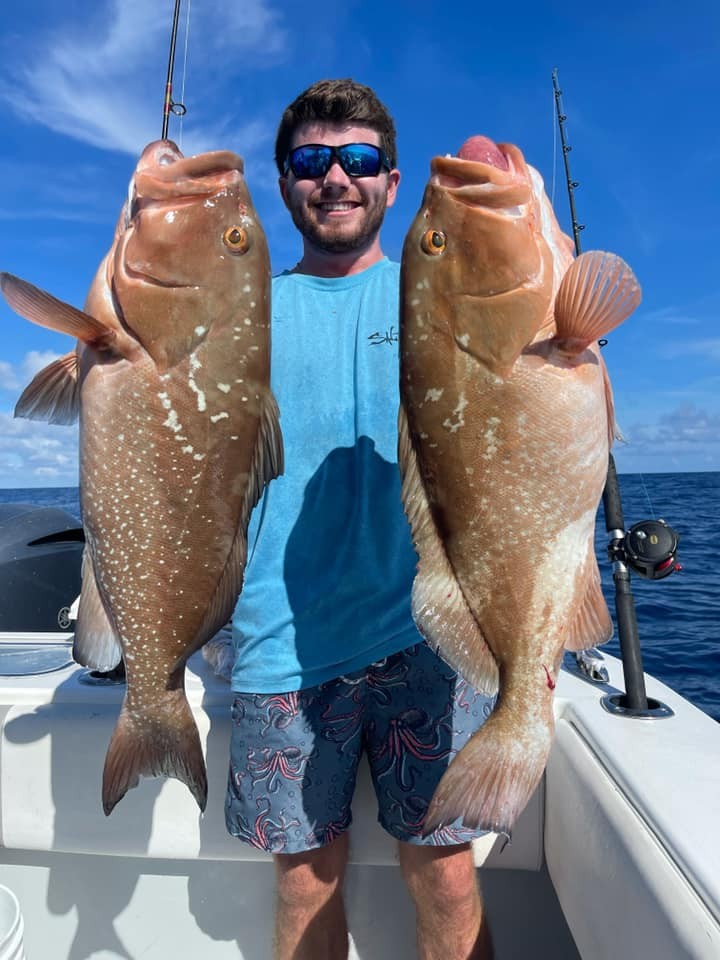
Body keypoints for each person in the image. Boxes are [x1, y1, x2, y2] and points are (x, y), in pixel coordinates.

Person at [225, 78, 495, 960]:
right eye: (311, 160)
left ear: (391, 180)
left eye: (359, 159)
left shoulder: (439, 290)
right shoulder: (239, 310)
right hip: (280, 645)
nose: (335, 177)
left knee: (446, 870)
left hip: (431, 634)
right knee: (305, 881)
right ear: (284, 181)